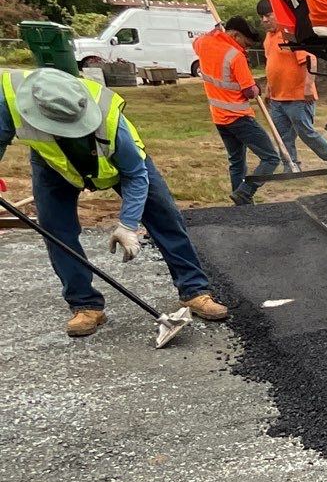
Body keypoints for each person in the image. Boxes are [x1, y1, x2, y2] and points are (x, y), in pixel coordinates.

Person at [0, 66, 229, 338]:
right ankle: (85, 304)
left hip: (121, 165)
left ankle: (194, 290)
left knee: (165, 217)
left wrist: (127, 224)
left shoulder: (109, 121)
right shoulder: (9, 101)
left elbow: (134, 174)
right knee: (56, 230)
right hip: (53, 164)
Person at [192, 15, 281, 205]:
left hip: (219, 118)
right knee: (271, 158)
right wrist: (257, 87)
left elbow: (196, 41)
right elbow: (250, 92)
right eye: (246, 43)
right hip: (239, 117)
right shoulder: (235, 55)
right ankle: (245, 192)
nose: (246, 48)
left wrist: (214, 30)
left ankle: (239, 200)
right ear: (235, 34)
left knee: (236, 161)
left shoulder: (204, 43)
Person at [258, 0, 327, 166]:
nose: (264, 20)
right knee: (282, 136)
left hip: (298, 97)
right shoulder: (268, 38)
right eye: (261, 17)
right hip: (278, 99)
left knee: (306, 133)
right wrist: (269, 90)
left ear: (277, 13)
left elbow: (311, 60)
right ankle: (291, 167)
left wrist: (308, 87)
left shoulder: (290, 34)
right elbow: (271, 64)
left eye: (268, 15)